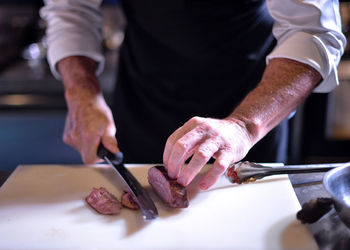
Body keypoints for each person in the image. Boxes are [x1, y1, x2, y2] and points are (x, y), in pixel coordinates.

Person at [40, 0, 346, 190]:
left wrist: (244, 125)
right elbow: (71, 10)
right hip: (144, 100)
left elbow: (311, 30)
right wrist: (81, 91)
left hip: (250, 110)